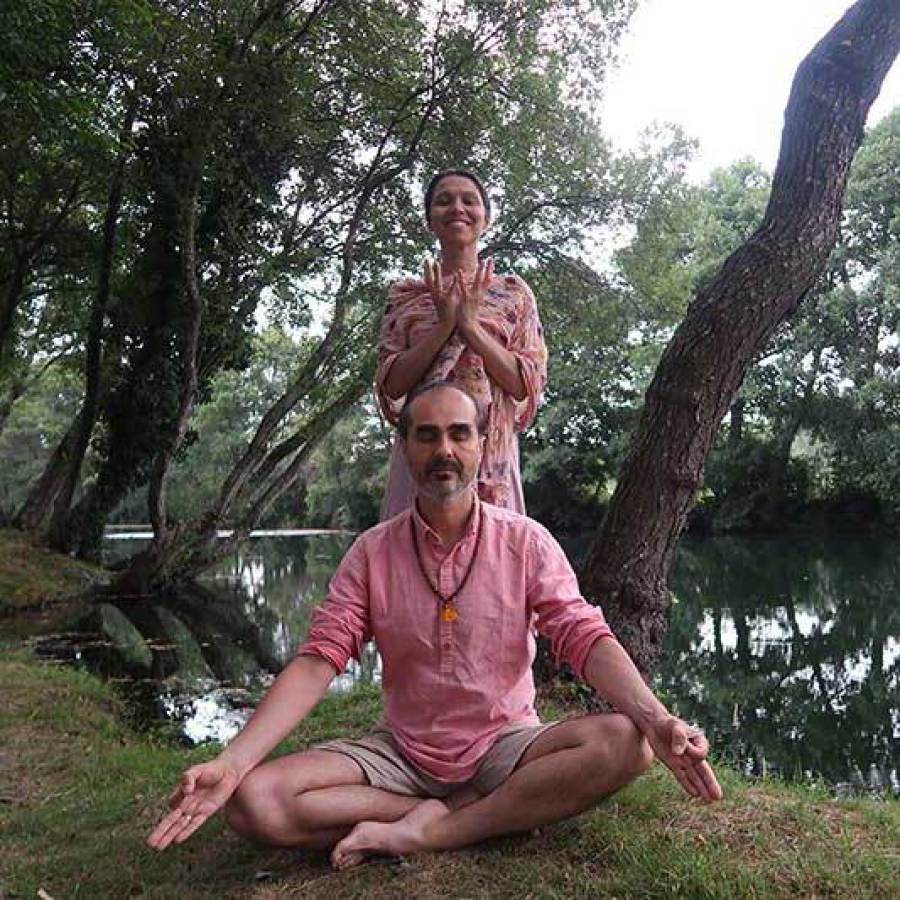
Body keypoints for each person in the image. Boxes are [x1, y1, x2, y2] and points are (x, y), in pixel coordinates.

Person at [147, 381, 722, 868]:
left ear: (481, 445)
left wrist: (657, 718)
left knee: (627, 742)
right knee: (256, 801)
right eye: (426, 435)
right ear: (404, 448)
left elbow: (584, 636)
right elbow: (320, 659)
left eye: (458, 433)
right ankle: (461, 814)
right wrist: (233, 762)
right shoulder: (371, 553)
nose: (443, 449)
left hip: (506, 745)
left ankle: (440, 830)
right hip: (400, 754)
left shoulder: (526, 542)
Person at [377, 169, 547, 518]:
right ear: (429, 221)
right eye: (444, 201)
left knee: (496, 548)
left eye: (469, 200)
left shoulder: (513, 295)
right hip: (423, 452)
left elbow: (524, 384)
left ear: (486, 218)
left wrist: (469, 326)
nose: (457, 208)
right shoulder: (406, 296)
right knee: (412, 547)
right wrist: (443, 327)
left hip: (492, 458)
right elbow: (391, 385)